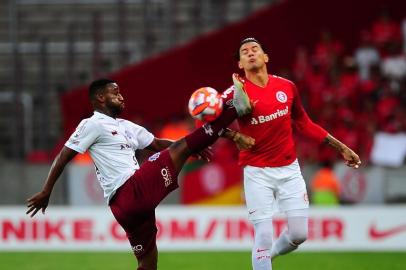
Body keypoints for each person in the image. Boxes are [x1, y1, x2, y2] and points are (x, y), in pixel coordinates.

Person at [26, 78, 255, 270]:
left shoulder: (125, 125)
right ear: (100, 98)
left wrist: (190, 147)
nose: (121, 96)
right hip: (130, 191)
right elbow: (63, 155)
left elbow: (156, 144)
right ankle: (234, 106)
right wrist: (47, 190)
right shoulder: (92, 124)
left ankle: (230, 111)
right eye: (115, 92)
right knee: (184, 145)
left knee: (148, 264)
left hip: (127, 208)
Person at [221, 38, 361, 270]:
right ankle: (264, 256)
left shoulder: (286, 87)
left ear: (266, 57)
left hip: (289, 170)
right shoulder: (234, 93)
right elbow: (206, 125)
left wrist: (341, 147)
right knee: (263, 236)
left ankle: (270, 256)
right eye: (245, 52)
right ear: (240, 64)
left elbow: (304, 123)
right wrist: (235, 136)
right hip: (257, 172)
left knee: (298, 235)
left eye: (255, 49)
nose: (251, 53)